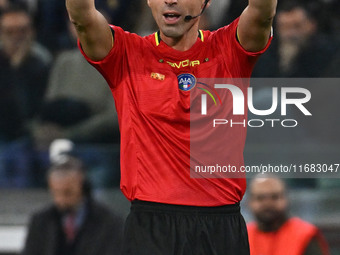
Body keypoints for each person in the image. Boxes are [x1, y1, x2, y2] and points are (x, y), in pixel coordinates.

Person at [65, 0, 277, 254]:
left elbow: (263, 11)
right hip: (151, 226)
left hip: (221, 226)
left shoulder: (230, 47)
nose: (170, 0)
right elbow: (82, 16)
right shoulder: (125, 52)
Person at [22, 155, 123, 255]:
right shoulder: (40, 222)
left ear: (82, 186)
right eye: (56, 193)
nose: (61, 200)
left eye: (68, 192)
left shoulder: (109, 222)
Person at [0, 5, 51, 141]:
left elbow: (29, 108)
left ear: (32, 32)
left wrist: (18, 66)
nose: (16, 37)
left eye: (22, 31)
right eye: (9, 32)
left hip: (29, 131)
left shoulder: (42, 61)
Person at [247, 176, 330, 255]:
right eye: (260, 198)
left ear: (286, 199)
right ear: (249, 202)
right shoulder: (242, 236)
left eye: (275, 197)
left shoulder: (306, 235)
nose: (267, 203)